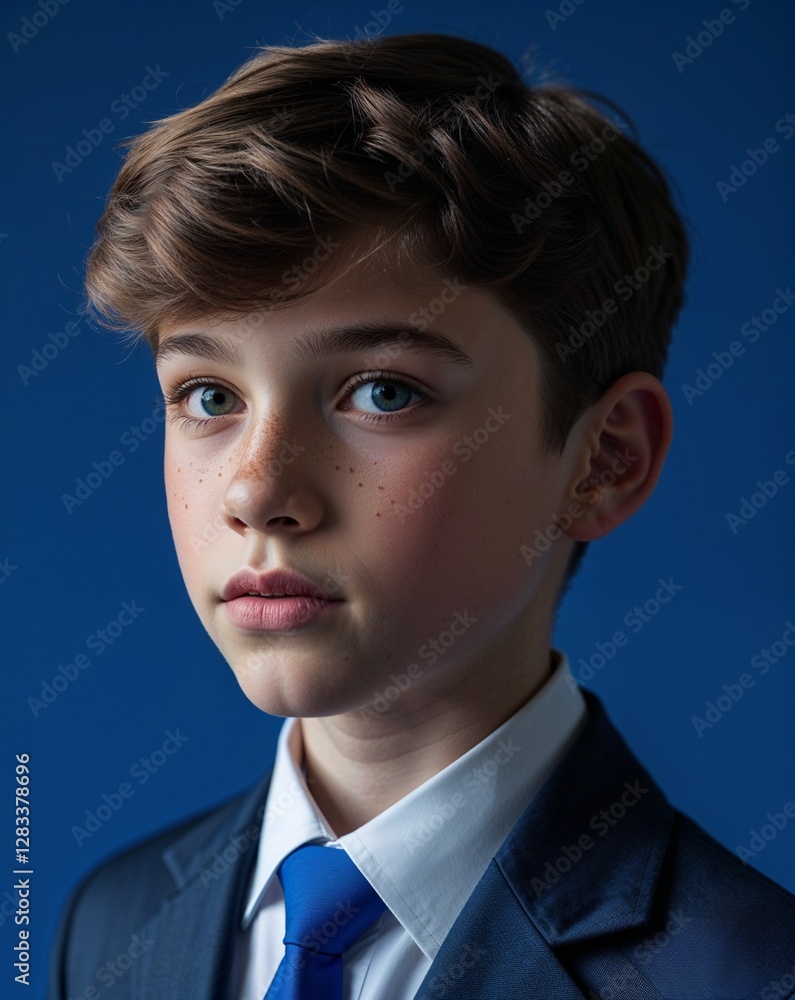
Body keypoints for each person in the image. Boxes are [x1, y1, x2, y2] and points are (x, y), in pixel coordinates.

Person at [48, 31, 795, 1000]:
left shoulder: (746, 978)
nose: (256, 490)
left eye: (384, 393)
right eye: (208, 396)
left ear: (605, 458)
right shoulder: (113, 917)